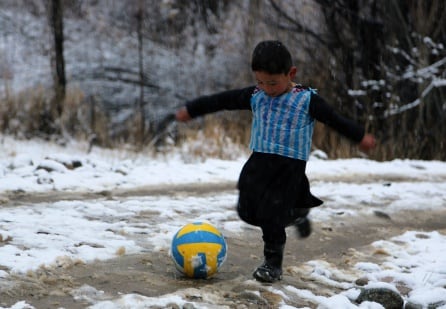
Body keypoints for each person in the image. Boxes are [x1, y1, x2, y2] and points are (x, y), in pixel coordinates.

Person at [175, 40, 376, 283]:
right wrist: (192, 109)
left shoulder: (306, 100)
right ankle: (297, 212)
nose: (267, 88)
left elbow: (334, 119)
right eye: (260, 81)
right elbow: (222, 100)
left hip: (288, 168)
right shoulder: (255, 95)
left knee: (270, 213)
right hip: (259, 161)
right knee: (247, 211)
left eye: (273, 82)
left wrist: (359, 136)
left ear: (290, 73)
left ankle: (273, 264)